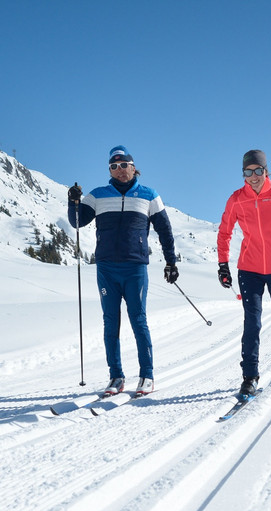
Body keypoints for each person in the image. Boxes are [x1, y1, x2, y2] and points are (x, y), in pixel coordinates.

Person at [68, 145, 178, 396]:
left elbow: (165, 230)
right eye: (114, 166)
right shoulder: (98, 195)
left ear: (133, 167)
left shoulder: (149, 195)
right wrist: (72, 201)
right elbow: (76, 221)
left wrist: (171, 262)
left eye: (124, 165)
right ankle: (116, 377)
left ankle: (147, 375)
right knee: (110, 322)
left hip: (135, 268)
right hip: (106, 268)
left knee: (138, 320)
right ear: (110, 170)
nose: (120, 170)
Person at [217, 149, 271, 397]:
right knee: (252, 321)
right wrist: (223, 264)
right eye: (248, 172)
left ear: (266, 171)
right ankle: (249, 376)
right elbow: (224, 232)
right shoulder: (236, 199)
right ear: (243, 174)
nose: (253, 176)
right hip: (250, 268)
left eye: (258, 170)